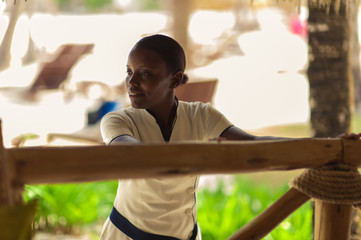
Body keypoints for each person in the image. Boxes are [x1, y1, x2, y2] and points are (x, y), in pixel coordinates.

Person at [99, 34, 359, 240]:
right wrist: (204, 156)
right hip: (127, 235)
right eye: (128, 72)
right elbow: (129, 153)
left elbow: (254, 145)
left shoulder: (199, 115)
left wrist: (330, 148)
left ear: (175, 79)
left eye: (145, 73)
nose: (131, 82)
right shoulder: (119, 120)